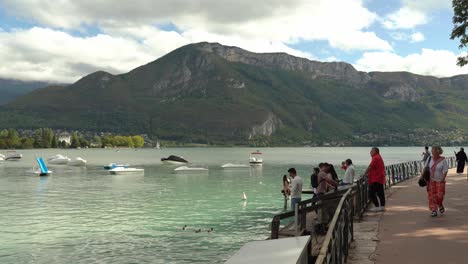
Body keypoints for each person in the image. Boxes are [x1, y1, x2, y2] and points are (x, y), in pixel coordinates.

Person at [422, 146, 449, 217]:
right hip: (431, 181)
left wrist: (443, 179)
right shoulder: (429, 158)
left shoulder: (443, 160)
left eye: (433, 150)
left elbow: (445, 170)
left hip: (440, 181)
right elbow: (425, 168)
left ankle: (440, 204)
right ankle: (434, 209)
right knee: (432, 196)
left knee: (440, 196)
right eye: (432, 150)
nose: (432, 152)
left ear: (438, 151)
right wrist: (422, 177)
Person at [365, 147, 386, 212]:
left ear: (375, 152)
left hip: (376, 178)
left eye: (371, 151)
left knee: (371, 193)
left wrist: (364, 173)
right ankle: (382, 206)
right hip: (379, 178)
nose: (370, 152)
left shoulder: (375, 158)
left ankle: (377, 206)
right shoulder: (378, 157)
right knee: (380, 193)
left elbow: (370, 166)